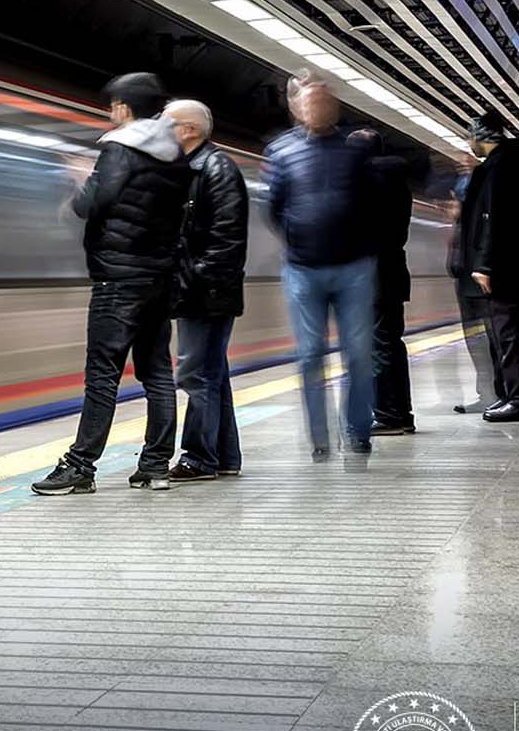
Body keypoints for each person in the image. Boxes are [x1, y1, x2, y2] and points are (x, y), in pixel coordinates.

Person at [34, 73, 195, 495]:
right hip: (159, 277)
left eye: (112, 106)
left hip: (118, 278)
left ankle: (80, 467)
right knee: (158, 372)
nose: (110, 113)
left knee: (102, 374)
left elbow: (94, 203)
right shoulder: (175, 155)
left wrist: (81, 178)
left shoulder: (118, 147)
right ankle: (156, 465)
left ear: (123, 107)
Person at [264, 70, 378, 462]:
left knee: (359, 353)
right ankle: (319, 437)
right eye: (311, 102)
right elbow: (274, 209)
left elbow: (371, 205)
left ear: (336, 107)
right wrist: (300, 237)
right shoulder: (280, 152)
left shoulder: (356, 151)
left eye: (326, 101)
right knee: (310, 354)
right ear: (296, 108)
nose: (319, 107)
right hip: (302, 269)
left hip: (355, 268)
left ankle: (358, 430)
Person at [164, 99, 248, 483]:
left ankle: (198, 459)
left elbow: (226, 241)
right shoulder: (193, 168)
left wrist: (189, 281)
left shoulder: (215, 169)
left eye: (169, 125)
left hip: (207, 292)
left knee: (195, 376)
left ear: (189, 129)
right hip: (202, 289)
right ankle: (224, 456)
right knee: (212, 375)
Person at [454, 111, 519, 422]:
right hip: (504, 265)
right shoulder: (502, 165)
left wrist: (485, 265)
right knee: (503, 332)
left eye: (472, 137)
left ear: (483, 137)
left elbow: (493, 218)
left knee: (508, 333)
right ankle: (511, 395)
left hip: (502, 267)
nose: (470, 143)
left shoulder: (501, 166)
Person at [358, 129, 432, 436]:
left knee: (377, 346)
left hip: (371, 275)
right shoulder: (397, 181)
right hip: (391, 272)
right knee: (390, 344)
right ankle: (399, 412)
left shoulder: (368, 183)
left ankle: (389, 414)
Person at [445, 168, 496, 413]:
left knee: (485, 342)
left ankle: (494, 394)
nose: (451, 204)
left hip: (476, 286)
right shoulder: (461, 223)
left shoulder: (474, 223)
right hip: (465, 286)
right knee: (477, 343)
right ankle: (487, 394)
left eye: (455, 199)